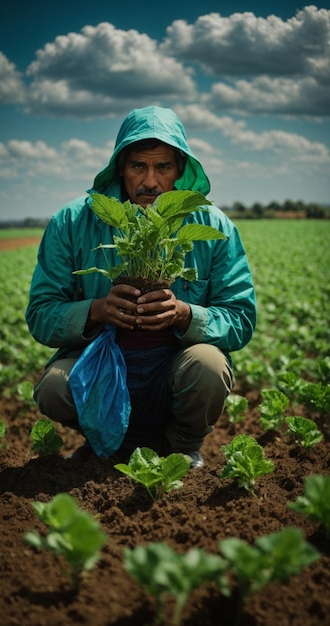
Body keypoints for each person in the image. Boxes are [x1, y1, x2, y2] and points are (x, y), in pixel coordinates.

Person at [26, 105, 256, 469]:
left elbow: (240, 318)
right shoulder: (72, 221)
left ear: (180, 169)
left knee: (209, 366)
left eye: (163, 166)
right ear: (121, 167)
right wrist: (97, 309)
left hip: (172, 365)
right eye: (138, 166)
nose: (151, 181)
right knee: (55, 388)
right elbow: (40, 314)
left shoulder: (214, 226)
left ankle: (181, 447)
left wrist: (184, 314)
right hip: (104, 362)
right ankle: (105, 444)